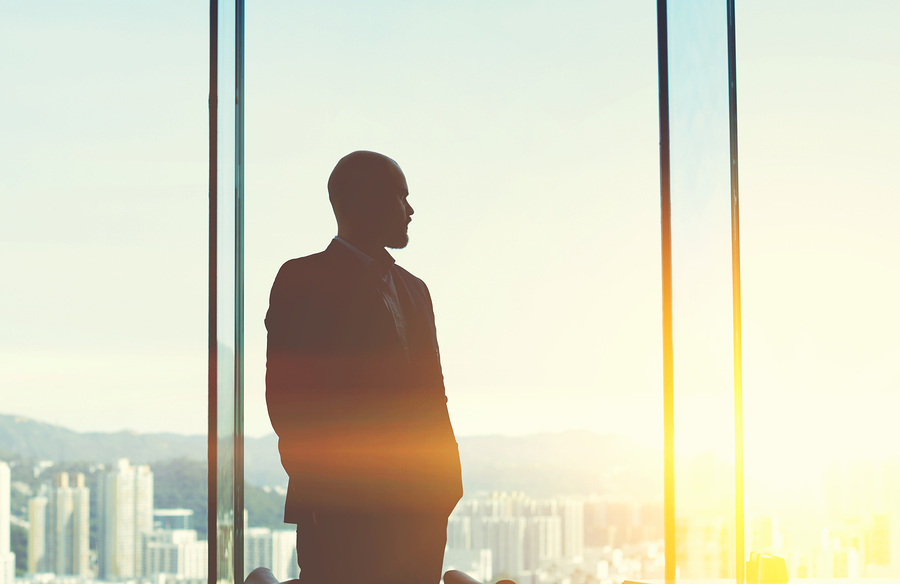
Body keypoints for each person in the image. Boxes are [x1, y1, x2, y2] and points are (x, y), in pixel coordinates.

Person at [265, 151, 463, 584]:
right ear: (367, 201)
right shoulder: (301, 279)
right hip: (341, 518)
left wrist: (446, 484)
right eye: (401, 197)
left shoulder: (416, 290)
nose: (411, 210)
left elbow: (434, 394)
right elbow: (287, 402)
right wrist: (326, 500)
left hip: (422, 512)